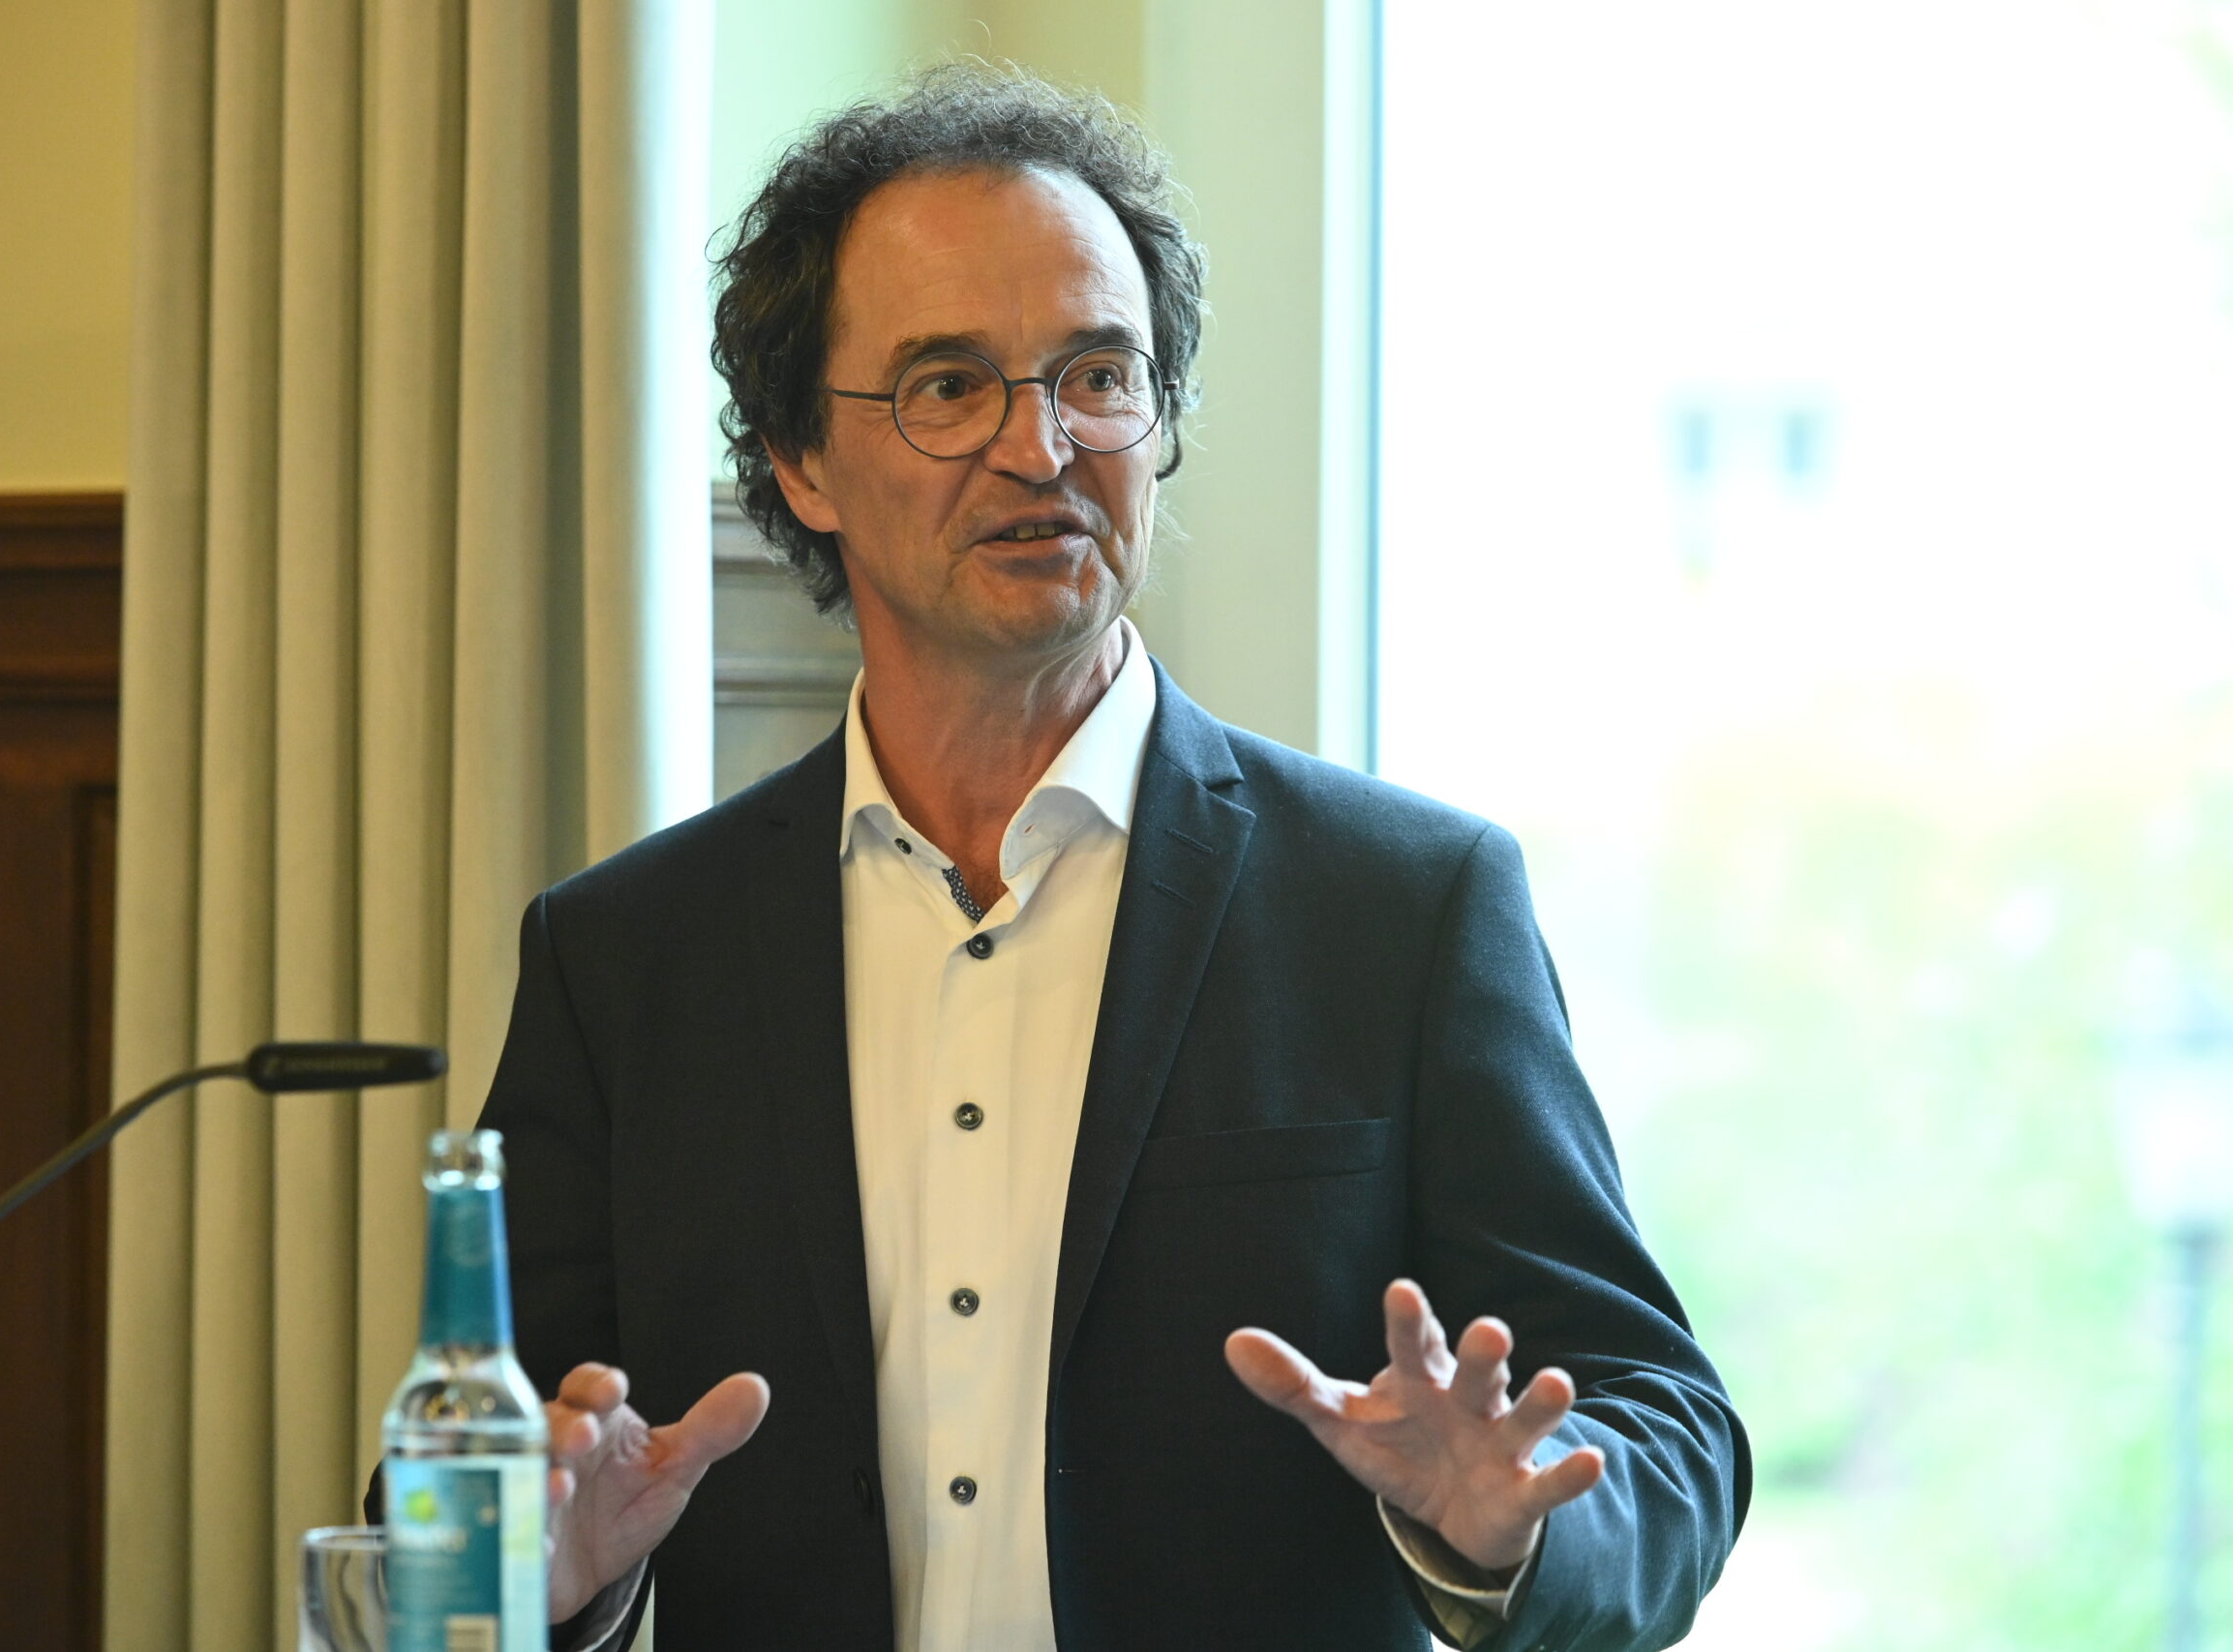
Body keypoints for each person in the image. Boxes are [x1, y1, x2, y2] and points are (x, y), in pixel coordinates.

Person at [468, 65, 1749, 1652]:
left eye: (1097, 374)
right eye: (948, 385)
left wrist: (1512, 1523)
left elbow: (1661, 1423)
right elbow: (467, 1479)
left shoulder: (1403, 908)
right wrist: (534, 1579)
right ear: (800, 463)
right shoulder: (624, 961)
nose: (1043, 445)